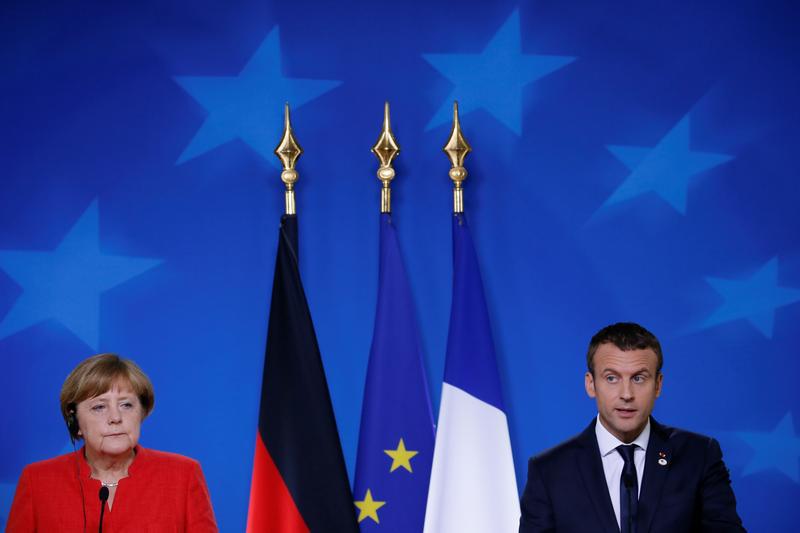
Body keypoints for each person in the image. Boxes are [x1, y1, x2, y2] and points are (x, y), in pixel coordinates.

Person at [519, 322, 744, 533]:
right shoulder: (550, 470)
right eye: (611, 378)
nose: (626, 394)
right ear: (591, 384)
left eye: (638, 379)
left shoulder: (699, 456)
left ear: (657, 385)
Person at [7, 353, 218, 532]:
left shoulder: (183, 475)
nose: (115, 417)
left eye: (126, 405)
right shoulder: (38, 481)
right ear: (75, 421)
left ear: (141, 413)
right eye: (99, 407)